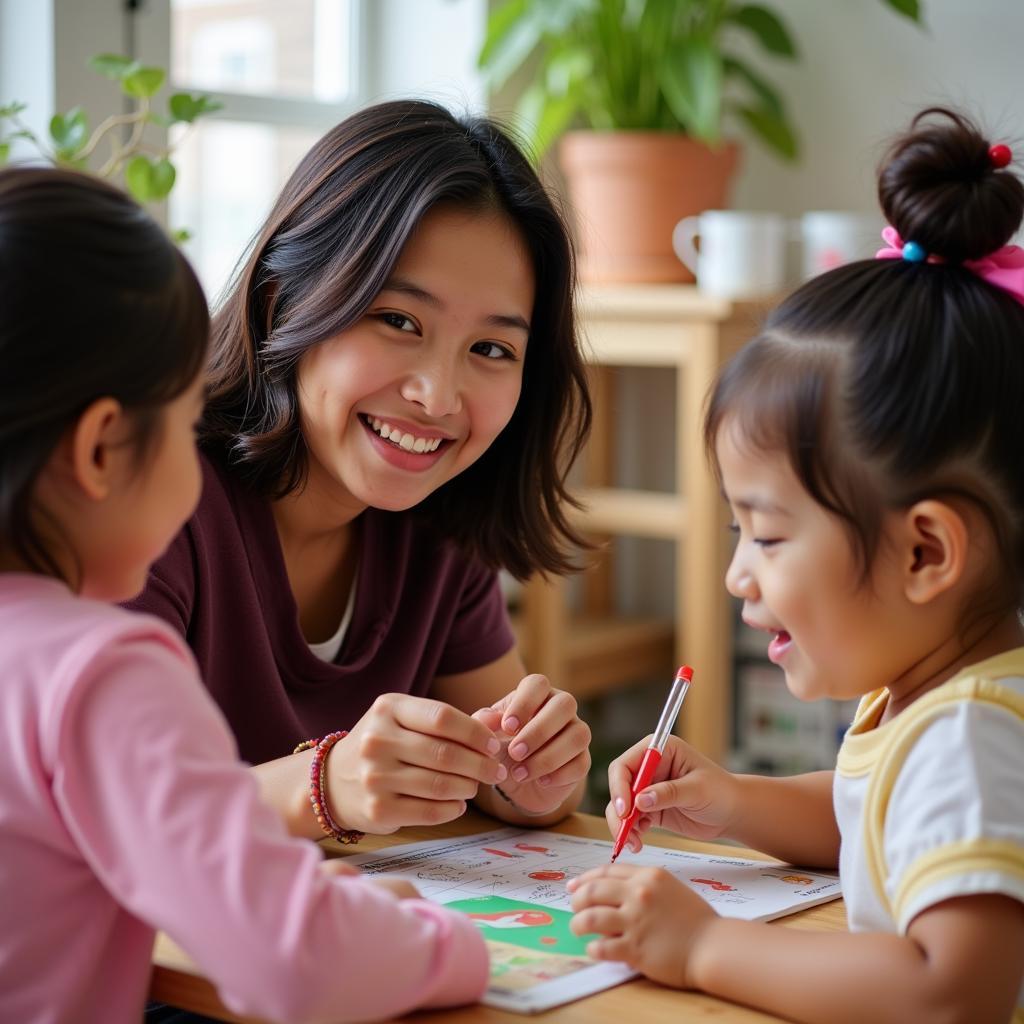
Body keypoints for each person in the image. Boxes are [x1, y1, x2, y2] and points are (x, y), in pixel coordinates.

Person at [0, 166, 489, 1024]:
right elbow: (301, 964)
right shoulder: (102, 673)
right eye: (187, 419)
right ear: (102, 450)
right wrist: (442, 942)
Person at [567, 107, 1024, 1023]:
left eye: (767, 536)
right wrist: (728, 802)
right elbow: (868, 819)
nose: (739, 574)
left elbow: (952, 991)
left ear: (924, 552)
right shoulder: (927, 701)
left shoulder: (969, 739)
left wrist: (706, 946)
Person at [127, 99, 593, 840]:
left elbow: (504, 774)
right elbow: (103, 800)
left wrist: (535, 776)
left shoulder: (441, 522)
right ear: (286, 303)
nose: (438, 396)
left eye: (492, 349)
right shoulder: (149, 496)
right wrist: (325, 784)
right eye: (399, 321)